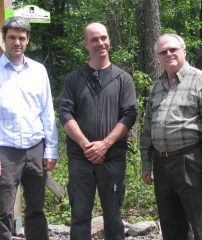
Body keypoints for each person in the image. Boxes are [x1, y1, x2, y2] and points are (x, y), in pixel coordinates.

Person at [0, 16, 58, 240]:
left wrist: (51, 149)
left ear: (28, 40)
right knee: (2, 210)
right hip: (5, 151)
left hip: (35, 149)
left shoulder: (38, 71)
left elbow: (47, 113)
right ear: (4, 39)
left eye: (21, 38)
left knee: (36, 208)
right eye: (12, 37)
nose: (17, 42)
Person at [58, 22, 137, 240]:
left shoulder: (123, 79)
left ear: (109, 40)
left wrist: (105, 144)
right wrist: (86, 145)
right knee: (80, 214)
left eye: (103, 38)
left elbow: (129, 115)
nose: (100, 43)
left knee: (113, 216)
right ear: (86, 44)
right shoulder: (74, 79)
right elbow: (65, 113)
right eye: (94, 39)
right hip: (80, 159)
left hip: (112, 159)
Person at [140, 34, 202, 240]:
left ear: (183, 51)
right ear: (158, 57)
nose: (169, 54)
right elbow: (148, 126)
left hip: (190, 161)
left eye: (173, 49)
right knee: (171, 226)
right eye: (163, 52)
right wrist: (146, 163)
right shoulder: (157, 86)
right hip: (162, 163)